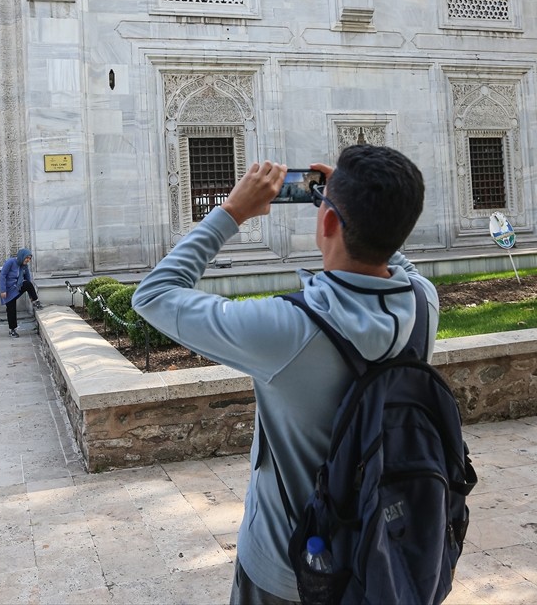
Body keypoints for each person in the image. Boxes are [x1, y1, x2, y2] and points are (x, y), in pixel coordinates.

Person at [132, 145, 437, 603]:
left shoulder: (287, 330)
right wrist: (361, 206)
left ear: (329, 223)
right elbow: (396, 260)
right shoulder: (423, 303)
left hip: (291, 571)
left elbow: (153, 295)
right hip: (384, 556)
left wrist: (232, 211)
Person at [0, 248, 43, 337]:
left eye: (29, 258)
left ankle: (35, 301)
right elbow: (2, 275)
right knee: (11, 309)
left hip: (17, 287)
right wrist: (3, 290)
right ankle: (12, 330)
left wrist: (31, 293)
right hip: (8, 290)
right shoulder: (11, 262)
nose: (28, 260)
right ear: (22, 256)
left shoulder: (24, 266)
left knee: (28, 284)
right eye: (27, 258)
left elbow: (27, 278)